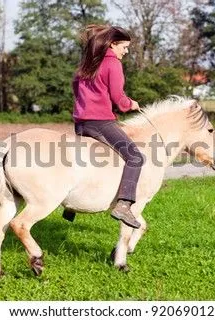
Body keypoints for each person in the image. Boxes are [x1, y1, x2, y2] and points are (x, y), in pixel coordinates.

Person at [72, 25, 144, 229]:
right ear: (112, 44)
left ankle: (70, 206)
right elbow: (118, 99)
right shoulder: (112, 65)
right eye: (124, 46)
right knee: (135, 157)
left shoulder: (86, 64)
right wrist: (131, 104)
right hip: (100, 123)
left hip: (80, 125)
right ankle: (124, 205)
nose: (126, 51)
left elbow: (76, 89)